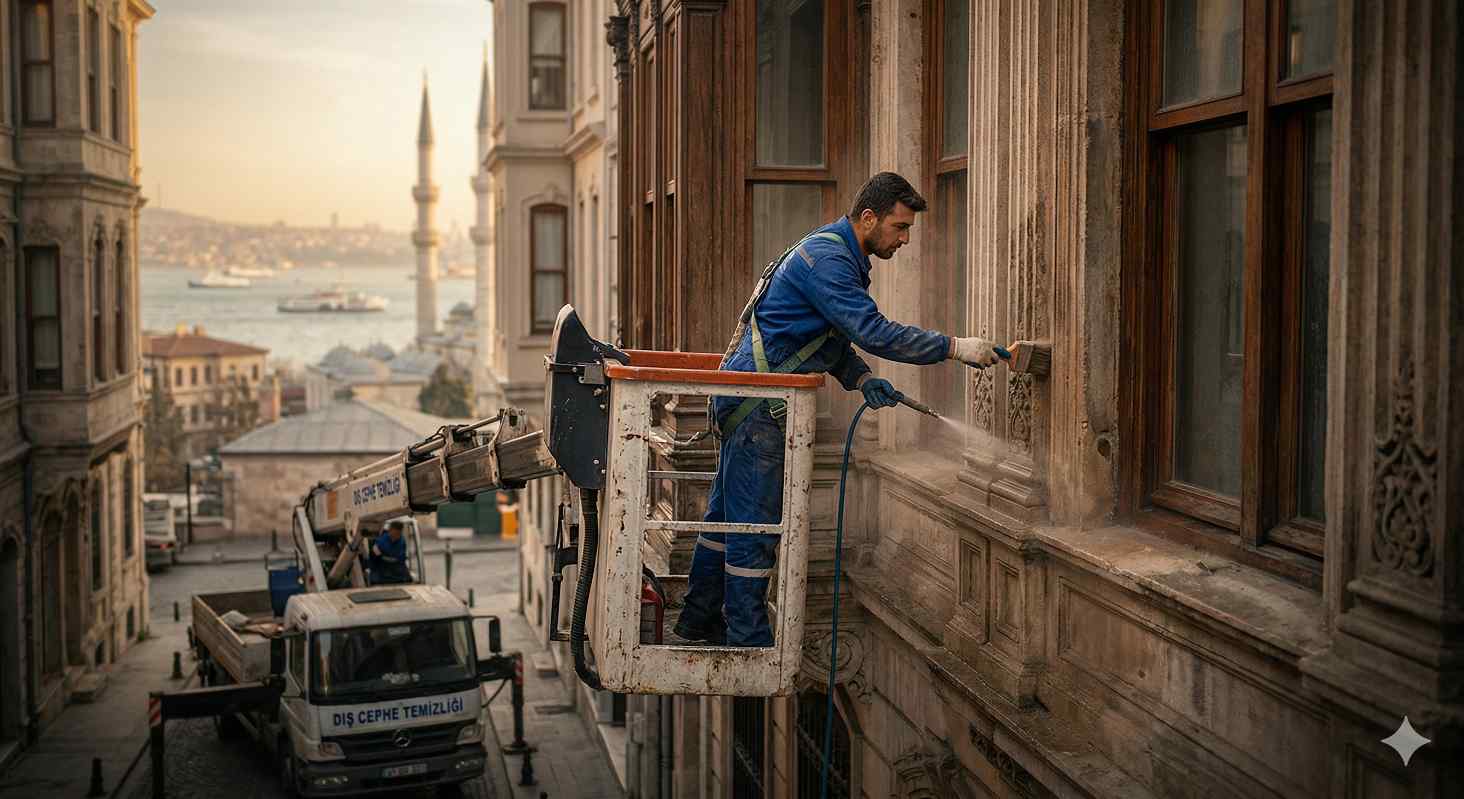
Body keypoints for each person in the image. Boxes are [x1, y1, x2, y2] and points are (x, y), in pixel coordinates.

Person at [673, 171, 1001, 647]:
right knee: (753, 527)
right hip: (759, 407)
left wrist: (861, 378)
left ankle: (696, 622)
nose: (905, 239)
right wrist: (956, 347)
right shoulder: (830, 261)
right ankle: (747, 640)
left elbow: (826, 339)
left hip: (747, 399)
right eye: (900, 227)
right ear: (868, 217)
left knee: (726, 520)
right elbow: (873, 332)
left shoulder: (831, 252)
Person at [369, 520, 413, 585]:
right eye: (394, 534)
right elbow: (375, 556)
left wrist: (382, 557)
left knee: (408, 579)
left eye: (398, 534)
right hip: (381, 573)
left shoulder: (402, 542)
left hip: (397, 573)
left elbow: (400, 559)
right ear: (390, 530)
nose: (395, 537)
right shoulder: (380, 541)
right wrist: (379, 555)